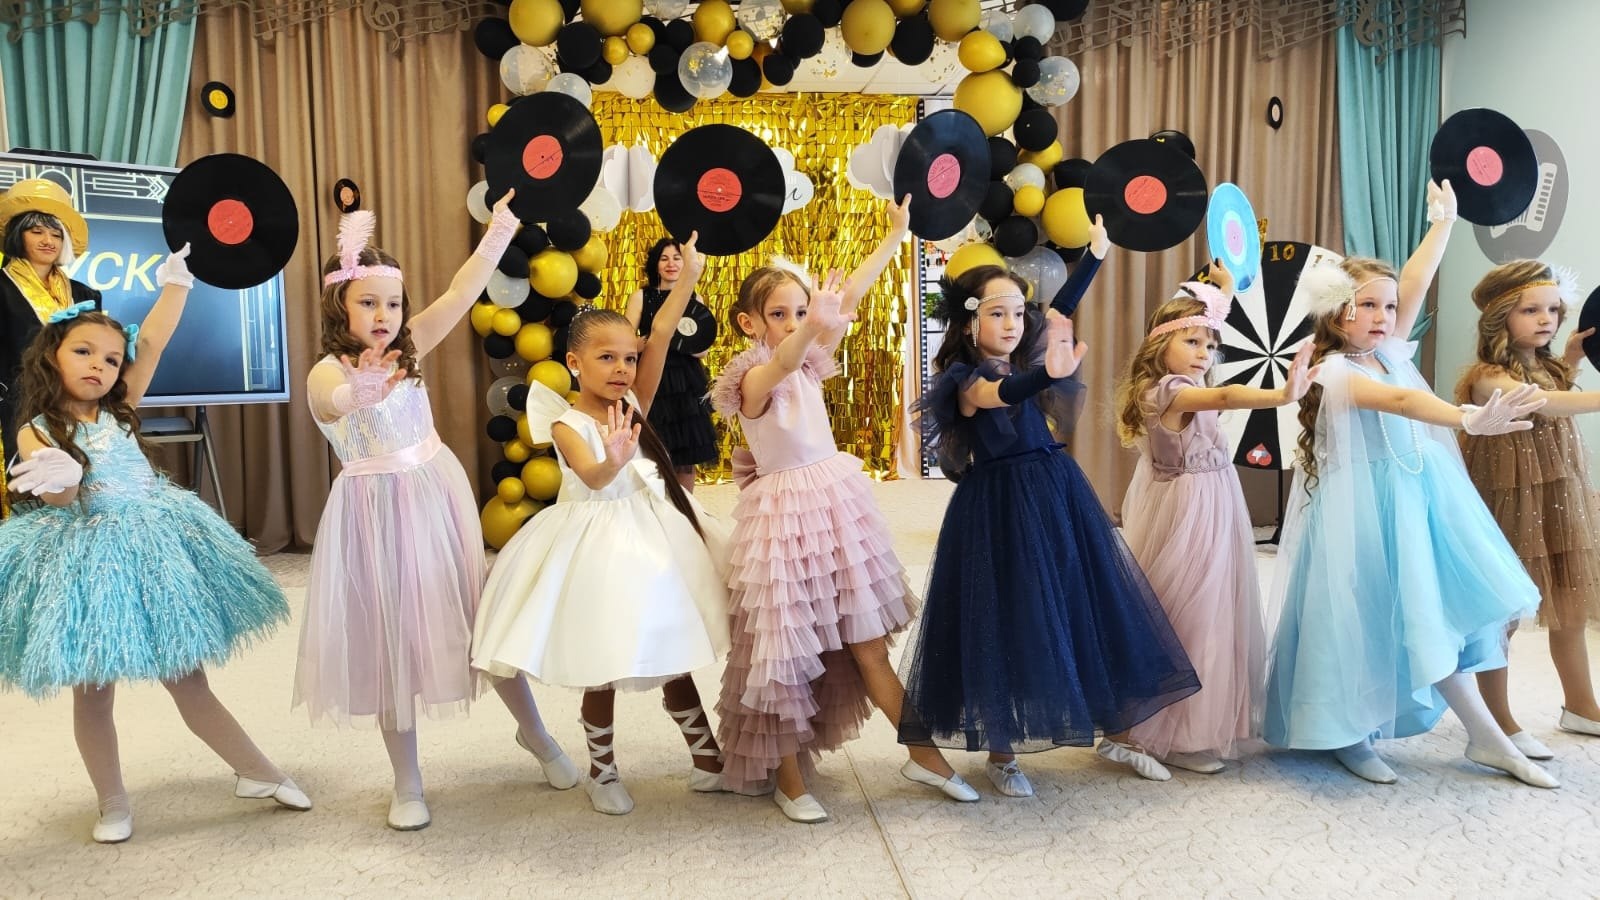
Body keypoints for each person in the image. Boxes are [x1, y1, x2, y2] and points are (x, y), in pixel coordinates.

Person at [0, 244, 307, 844]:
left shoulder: (120, 409)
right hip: (89, 562)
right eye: (83, 351)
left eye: (111, 359)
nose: (99, 366)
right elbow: (59, 497)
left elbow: (156, 342)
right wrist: (62, 476)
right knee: (93, 694)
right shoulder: (36, 430)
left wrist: (177, 286)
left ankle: (257, 771)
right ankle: (112, 803)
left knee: (188, 678)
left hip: (155, 550)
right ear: (51, 355)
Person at [293, 193, 576, 831]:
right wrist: (360, 391)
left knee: (478, 619)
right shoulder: (324, 372)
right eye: (369, 302)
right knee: (392, 639)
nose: (385, 315)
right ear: (340, 307)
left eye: (393, 303)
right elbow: (333, 401)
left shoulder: (411, 347)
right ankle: (407, 779)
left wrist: (500, 230)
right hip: (373, 514)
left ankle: (534, 732)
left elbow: (460, 291)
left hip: (434, 496)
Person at [1264, 181, 1558, 788]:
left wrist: (1444, 222)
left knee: (1429, 613)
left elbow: (1417, 278)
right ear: (1338, 312)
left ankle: (1485, 735)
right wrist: (1464, 417)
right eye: (1368, 306)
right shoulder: (1332, 369)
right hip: (1360, 510)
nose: (1383, 316)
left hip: (1416, 496)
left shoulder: (1391, 350)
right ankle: (1350, 732)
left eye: (1389, 307)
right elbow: (1398, 402)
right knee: (1362, 616)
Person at [474, 233, 734, 816]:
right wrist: (613, 460)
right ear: (575, 362)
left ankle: (708, 759)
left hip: (652, 536)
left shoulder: (633, 401)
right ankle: (602, 770)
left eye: (628, 358)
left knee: (673, 644)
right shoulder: (565, 421)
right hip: (594, 543)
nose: (622, 369)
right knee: (603, 661)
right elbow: (592, 477)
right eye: (606, 358)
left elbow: (661, 333)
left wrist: (689, 277)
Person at [1116, 264, 1315, 774]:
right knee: (1195, 613)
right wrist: (1280, 396)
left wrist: (1223, 293)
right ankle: (1178, 732)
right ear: (1159, 345)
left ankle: (1197, 724)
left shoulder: (1180, 380)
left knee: (1217, 607)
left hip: (1214, 500)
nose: (1205, 353)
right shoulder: (1167, 391)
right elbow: (1224, 396)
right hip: (1191, 510)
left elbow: (1208, 344)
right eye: (1192, 342)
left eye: (1210, 345)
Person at [1456, 260, 1600, 758]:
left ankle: (1582, 704)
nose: (1546, 320)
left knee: (1569, 601)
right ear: (1501, 316)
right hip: (1509, 496)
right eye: (1531, 310)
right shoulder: (1487, 377)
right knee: (1504, 611)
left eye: (1554, 310)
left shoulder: (1548, 366)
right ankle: (1498, 720)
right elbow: (1545, 405)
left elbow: (1555, 392)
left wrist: (1573, 358)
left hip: (1555, 493)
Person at [623, 237, 719, 490]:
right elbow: (625, 341)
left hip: (686, 383)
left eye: (677, 258)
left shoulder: (694, 297)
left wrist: (688, 345)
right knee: (653, 451)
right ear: (655, 264)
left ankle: (686, 507)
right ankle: (656, 505)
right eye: (664, 258)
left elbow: (703, 350)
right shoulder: (641, 297)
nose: (671, 264)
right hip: (651, 380)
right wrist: (643, 343)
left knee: (687, 454)